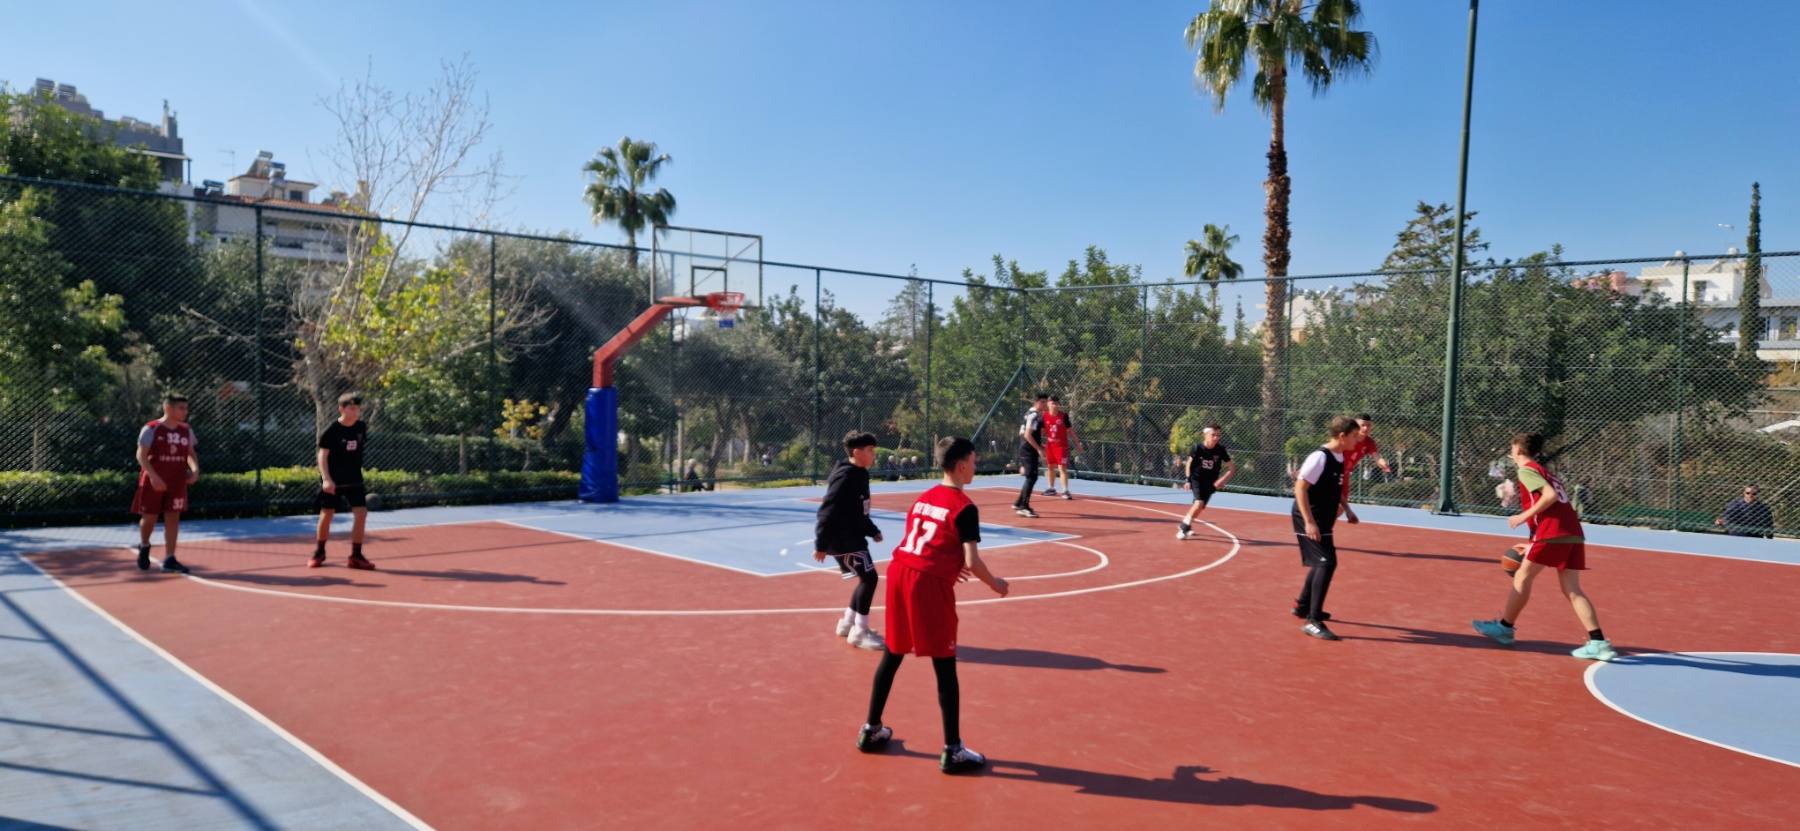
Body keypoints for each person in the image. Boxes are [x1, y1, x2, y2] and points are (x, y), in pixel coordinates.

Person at [856, 436, 1009, 774]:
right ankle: (953, 750)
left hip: (900, 573)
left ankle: (871, 729)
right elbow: (973, 560)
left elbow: (926, 544)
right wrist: (995, 583)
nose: (976, 465)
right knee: (945, 664)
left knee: (893, 653)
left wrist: (948, 566)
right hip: (926, 584)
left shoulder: (923, 498)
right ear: (962, 466)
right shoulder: (965, 507)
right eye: (974, 460)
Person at [1473, 433, 1617, 662]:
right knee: (1572, 589)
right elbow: (1556, 504)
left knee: (1522, 577)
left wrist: (1522, 517)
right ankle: (1598, 642)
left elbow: (1549, 497)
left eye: (1512, 448)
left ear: (1517, 450)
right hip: (1572, 532)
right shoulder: (1545, 472)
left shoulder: (1526, 470)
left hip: (1552, 532)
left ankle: (1505, 628)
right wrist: (1534, 542)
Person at [814, 431, 886, 650]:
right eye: (870, 450)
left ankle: (847, 623)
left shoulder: (860, 473)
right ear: (857, 452)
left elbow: (858, 510)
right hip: (842, 538)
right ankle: (859, 632)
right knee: (870, 579)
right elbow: (827, 510)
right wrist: (821, 543)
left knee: (866, 578)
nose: (873, 454)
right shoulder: (845, 476)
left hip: (852, 536)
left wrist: (872, 530)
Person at [1291, 417, 1359, 640]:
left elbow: (1334, 488)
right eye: (1354, 436)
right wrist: (1309, 522)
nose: (1357, 440)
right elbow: (1300, 488)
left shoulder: (1339, 456)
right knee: (1326, 562)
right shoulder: (1320, 457)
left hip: (1323, 519)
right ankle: (1313, 621)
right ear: (1342, 436)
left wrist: (1347, 509)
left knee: (1321, 562)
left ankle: (1303, 606)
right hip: (1309, 517)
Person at [131, 393, 200, 574]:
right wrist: (153, 477)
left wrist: (194, 470)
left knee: (173, 517)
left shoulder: (186, 430)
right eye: (181, 408)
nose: (185, 412)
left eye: (186, 408)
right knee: (150, 518)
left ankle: (169, 558)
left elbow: (190, 453)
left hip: (177, 481)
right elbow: (141, 455)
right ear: (168, 408)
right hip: (154, 480)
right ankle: (144, 545)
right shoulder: (151, 428)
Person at [313, 391, 376, 570]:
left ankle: (356, 556)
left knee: (361, 513)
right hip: (333, 480)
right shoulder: (332, 430)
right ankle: (319, 552)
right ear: (341, 409)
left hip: (354, 479)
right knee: (327, 514)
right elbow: (322, 455)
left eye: (358, 409)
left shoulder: (361, 427)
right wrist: (326, 479)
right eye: (352, 408)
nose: (356, 412)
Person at [1177, 424, 1235, 540]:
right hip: (1196, 479)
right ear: (1205, 435)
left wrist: (1222, 480)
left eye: (1218, 435)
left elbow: (1232, 468)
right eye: (1213, 435)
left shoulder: (1220, 450)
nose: (1216, 437)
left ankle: (1186, 524)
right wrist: (1188, 480)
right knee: (1199, 503)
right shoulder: (1197, 448)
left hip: (1210, 482)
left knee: (1200, 507)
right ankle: (1184, 528)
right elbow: (1188, 464)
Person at [1338, 414, 1393, 524]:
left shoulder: (1369, 442)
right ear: (1355, 425)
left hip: (1345, 476)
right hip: (1333, 474)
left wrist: (1382, 462)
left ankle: (1323, 526)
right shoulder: (1346, 438)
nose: (1366, 428)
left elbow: (1376, 456)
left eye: (1368, 425)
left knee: (1341, 508)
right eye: (1362, 425)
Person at [1040, 395, 1083, 500]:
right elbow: (1041, 432)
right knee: (1050, 467)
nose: (1054, 405)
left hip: (1061, 447)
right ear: (1048, 404)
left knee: (1062, 468)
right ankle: (1051, 488)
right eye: (1052, 403)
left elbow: (1071, 432)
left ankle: (1065, 491)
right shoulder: (1044, 416)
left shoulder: (1063, 416)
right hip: (1050, 446)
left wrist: (1077, 444)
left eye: (1056, 403)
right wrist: (1038, 444)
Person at [1013, 393, 1048, 518]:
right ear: (1036, 402)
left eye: (1045, 402)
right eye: (1042, 402)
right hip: (1028, 450)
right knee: (1032, 477)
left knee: (1031, 477)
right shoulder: (1034, 415)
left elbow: (1023, 433)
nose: (1044, 404)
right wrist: (1038, 449)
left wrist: (1039, 444)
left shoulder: (1030, 413)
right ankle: (1023, 507)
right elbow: (1027, 434)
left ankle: (1018, 503)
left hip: (1027, 448)